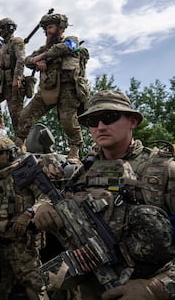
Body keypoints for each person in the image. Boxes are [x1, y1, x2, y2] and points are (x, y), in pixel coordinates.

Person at [34, 90, 175, 300]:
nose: (100, 126)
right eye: (93, 120)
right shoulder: (84, 169)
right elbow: (63, 197)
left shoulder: (164, 170)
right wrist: (42, 206)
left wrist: (156, 287)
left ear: (133, 121)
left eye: (110, 117)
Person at [0, 137, 48, 300]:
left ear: (11, 154)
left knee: (35, 285)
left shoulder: (23, 173)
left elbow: (46, 196)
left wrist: (29, 213)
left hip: (22, 243)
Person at [17, 13, 89, 164]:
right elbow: (27, 60)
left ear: (60, 28)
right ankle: (19, 145)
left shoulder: (71, 40)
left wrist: (43, 56)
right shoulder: (44, 48)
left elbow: (67, 48)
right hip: (49, 87)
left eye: (50, 27)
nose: (48, 31)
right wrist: (37, 62)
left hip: (68, 87)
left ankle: (74, 150)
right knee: (25, 114)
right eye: (46, 28)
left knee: (67, 120)